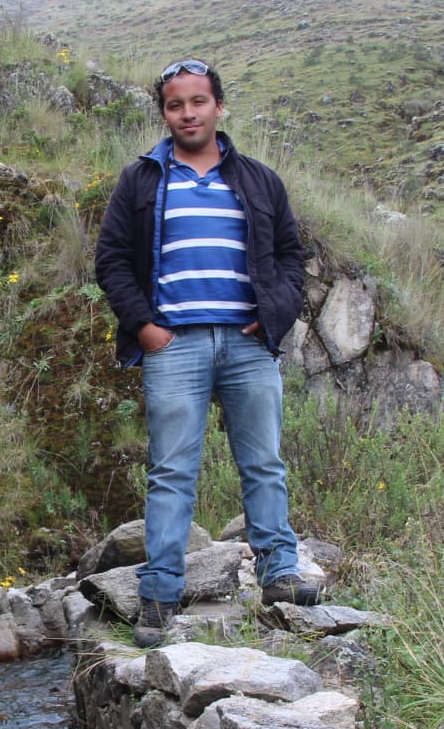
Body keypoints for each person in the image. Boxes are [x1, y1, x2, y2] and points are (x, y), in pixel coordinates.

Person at [96, 57, 319, 648]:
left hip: (249, 344)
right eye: (175, 104)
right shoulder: (141, 179)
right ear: (164, 113)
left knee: (265, 462)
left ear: (218, 106)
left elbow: (293, 259)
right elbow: (112, 259)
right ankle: (160, 591)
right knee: (171, 471)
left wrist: (273, 314)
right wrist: (144, 326)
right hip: (175, 346)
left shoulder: (259, 180)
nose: (187, 113)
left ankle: (280, 574)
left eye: (198, 101)